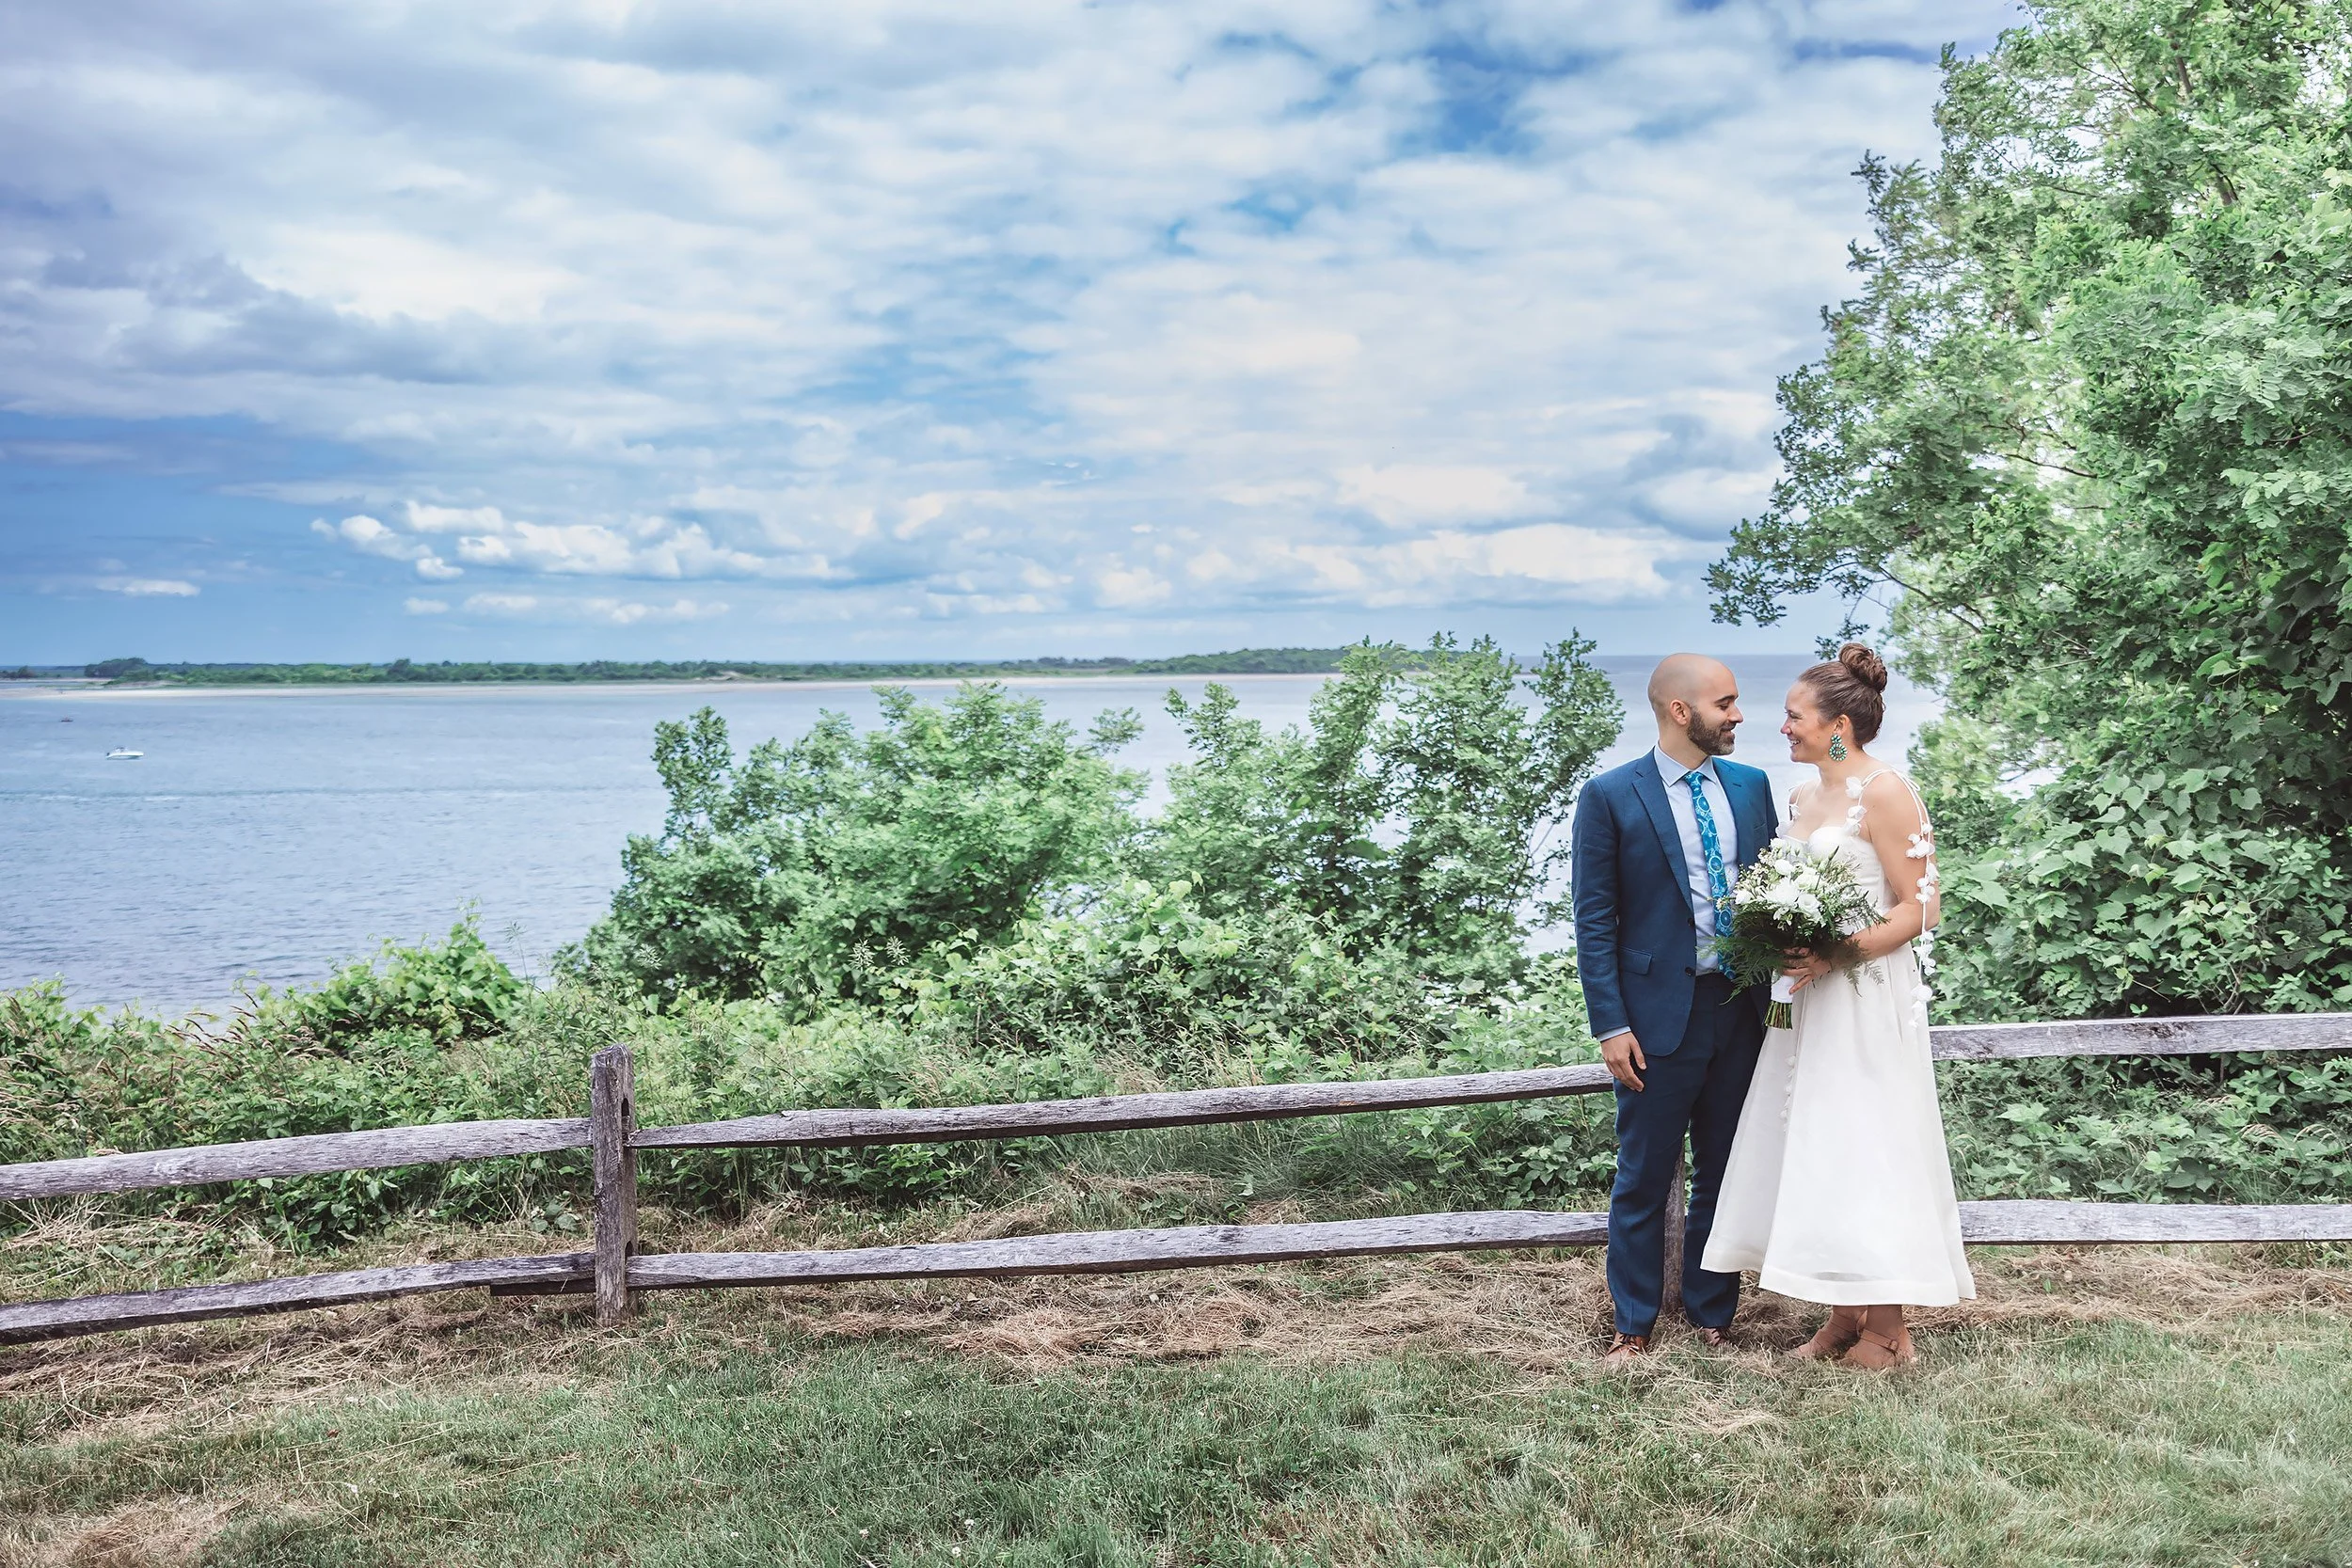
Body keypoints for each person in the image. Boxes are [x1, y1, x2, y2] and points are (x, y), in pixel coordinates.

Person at [1701, 642, 1976, 1368]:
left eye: (1794, 716)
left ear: (1837, 726)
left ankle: (1890, 1329)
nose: (1782, 726)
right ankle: (1844, 1315)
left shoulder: (1886, 792)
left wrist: (1835, 953)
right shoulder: (1801, 799)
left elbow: (1922, 908)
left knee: (1868, 1143)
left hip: (1862, 996)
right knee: (1821, 1146)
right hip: (1803, 1003)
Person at [1570, 654, 1779, 1364]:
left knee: (1726, 1168)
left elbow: (1775, 892)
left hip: (1740, 1009)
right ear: (1680, 711)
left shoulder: (1752, 786)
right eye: (1727, 702)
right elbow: (1595, 920)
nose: (1740, 714)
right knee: (1643, 1173)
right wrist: (1611, 1023)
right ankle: (1633, 1323)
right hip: (1655, 1019)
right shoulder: (1608, 796)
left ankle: (1712, 1312)